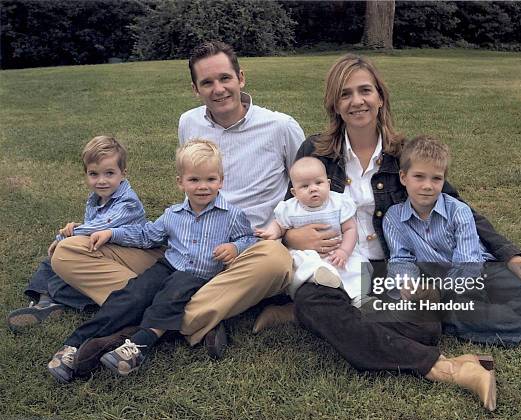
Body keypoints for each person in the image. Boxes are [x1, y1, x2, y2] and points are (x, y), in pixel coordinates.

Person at [254, 54, 502, 411]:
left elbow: (455, 205)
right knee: (316, 298)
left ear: (380, 97)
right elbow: (287, 209)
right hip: (330, 265)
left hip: (386, 268)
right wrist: (292, 238)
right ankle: (451, 370)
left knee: (425, 329)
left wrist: (509, 252)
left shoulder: (403, 153)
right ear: (335, 104)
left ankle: (301, 316)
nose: (357, 101)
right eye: (346, 94)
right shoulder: (315, 152)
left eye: (365, 90)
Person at [50, 41, 305, 356]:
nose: (218, 89)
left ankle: (144, 319)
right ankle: (198, 314)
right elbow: (191, 180)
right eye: (207, 82)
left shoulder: (281, 127)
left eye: (225, 78)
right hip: (184, 248)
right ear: (195, 89)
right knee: (68, 253)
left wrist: (290, 231)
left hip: (243, 252)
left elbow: (304, 188)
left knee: (276, 262)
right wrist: (86, 230)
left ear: (241, 78)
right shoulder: (190, 122)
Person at [47, 139, 259, 383]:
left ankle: (138, 346)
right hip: (168, 265)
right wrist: (112, 233)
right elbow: (147, 235)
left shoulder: (232, 215)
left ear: (221, 180)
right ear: (180, 182)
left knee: (171, 296)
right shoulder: (173, 215)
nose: (203, 187)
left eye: (210, 180)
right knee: (131, 296)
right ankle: (72, 346)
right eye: (194, 180)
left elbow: (248, 238)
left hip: (199, 274)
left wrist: (235, 246)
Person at [383, 135, 521, 344]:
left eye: (436, 178)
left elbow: (469, 266)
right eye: (419, 176)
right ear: (403, 177)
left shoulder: (458, 211)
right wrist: (407, 283)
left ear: (444, 180)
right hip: (449, 293)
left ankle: (487, 317)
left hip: (481, 275)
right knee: (453, 309)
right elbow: (401, 259)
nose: (427, 185)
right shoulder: (394, 217)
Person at [7, 136, 146, 331]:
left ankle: (53, 296)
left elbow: (104, 224)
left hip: (126, 255)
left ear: (123, 174)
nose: (101, 181)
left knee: (64, 271)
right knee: (52, 261)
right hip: (103, 248)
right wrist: (76, 229)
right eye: (94, 174)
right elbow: (93, 226)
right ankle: (46, 301)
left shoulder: (128, 202)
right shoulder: (95, 199)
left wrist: (66, 236)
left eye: (109, 173)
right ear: (86, 174)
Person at [255, 156, 369, 308]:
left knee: (356, 266)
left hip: (337, 252)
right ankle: (320, 276)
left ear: (328, 184)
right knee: (300, 264)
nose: (313, 188)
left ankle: (359, 297)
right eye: (305, 186)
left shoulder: (338, 203)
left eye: (318, 182)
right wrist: (272, 232)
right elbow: (279, 225)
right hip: (308, 255)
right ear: (294, 192)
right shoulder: (290, 208)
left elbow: (350, 229)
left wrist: (344, 251)